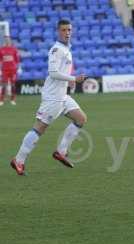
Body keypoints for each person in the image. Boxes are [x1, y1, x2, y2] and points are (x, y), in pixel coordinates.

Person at [10, 19, 86, 176]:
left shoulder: (66, 49)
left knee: (80, 119)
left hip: (62, 96)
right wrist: (73, 79)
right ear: (58, 31)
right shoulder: (56, 50)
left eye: (69, 30)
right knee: (39, 128)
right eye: (64, 30)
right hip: (53, 98)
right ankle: (19, 160)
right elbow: (53, 73)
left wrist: (70, 82)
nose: (67, 33)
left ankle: (61, 151)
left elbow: (63, 71)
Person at [0, 36, 20, 105]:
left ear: (10, 41)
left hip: (13, 70)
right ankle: (1, 100)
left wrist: (19, 68)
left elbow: (17, 60)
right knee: (4, 85)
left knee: (13, 85)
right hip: (4, 70)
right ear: (4, 41)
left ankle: (13, 99)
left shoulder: (14, 49)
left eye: (8, 40)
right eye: (6, 40)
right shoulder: (1, 49)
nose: (7, 41)